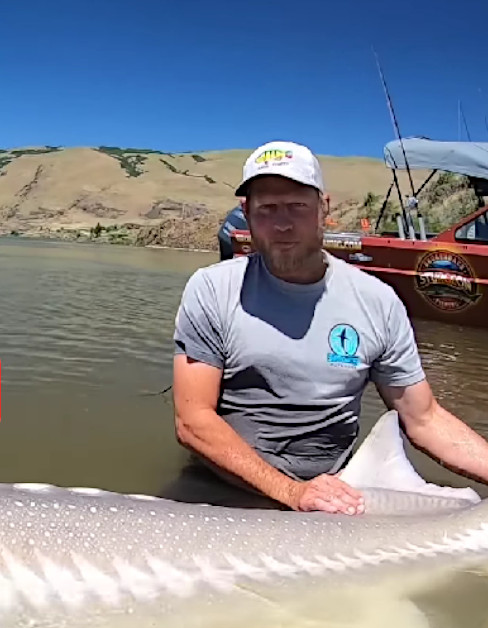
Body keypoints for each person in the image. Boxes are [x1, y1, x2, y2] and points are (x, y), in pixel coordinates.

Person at [172, 140, 488, 515]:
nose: (283, 223)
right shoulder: (213, 289)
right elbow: (193, 420)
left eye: (297, 207)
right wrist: (291, 493)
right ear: (247, 213)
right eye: (268, 209)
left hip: (338, 493)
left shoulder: (378, 301)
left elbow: (423, 418)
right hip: (228, 486)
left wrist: (313, 495)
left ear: (324, 208)